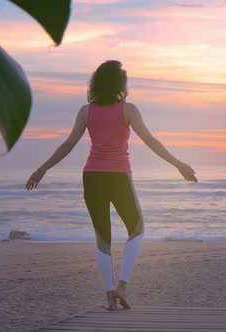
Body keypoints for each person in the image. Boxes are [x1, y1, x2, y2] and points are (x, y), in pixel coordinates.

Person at [25, 60, 197, 310]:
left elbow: (68, 144)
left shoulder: (86, 111)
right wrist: (178, 163)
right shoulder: (128, 110)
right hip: (118, 176)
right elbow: (150, 140)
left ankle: (109, 297)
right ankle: (122, 288)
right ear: (119, 84)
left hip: (92, 176)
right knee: (136, 229)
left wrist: (42, 169)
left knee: (102, 238)